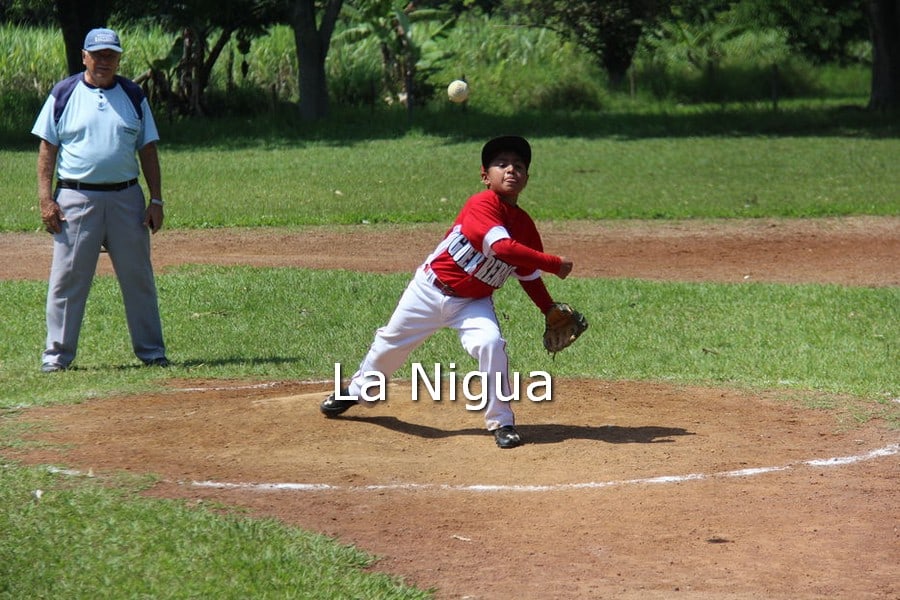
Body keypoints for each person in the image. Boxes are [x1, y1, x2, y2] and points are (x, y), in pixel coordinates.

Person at [321, 135, 574, 448]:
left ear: (526, 178)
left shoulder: (525, 227)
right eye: (502, 164)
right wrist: (554, 263)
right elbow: (502, 248)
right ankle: (357, 391)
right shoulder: (480, 205)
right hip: (428, 290)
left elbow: (527, 275)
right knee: (390, 343)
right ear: (485, 176)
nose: (511, 170)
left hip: (473, 303)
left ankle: (502, 423)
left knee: (491, 344)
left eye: (519, 166)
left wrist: (547, 308)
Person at [32, 28, 168, 372]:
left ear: (119, 58)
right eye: (98, 55)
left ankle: (152, 352)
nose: (104, 61)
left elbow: (148, 148)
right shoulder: (64, 93)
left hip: (127, 199)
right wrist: (46, 199)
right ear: (84, 57)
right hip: (76, 198)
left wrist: (157, 200)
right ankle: (57, 357)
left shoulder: (133, 95)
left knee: (138, 278)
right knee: (67, 279)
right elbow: (48, 147)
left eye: (111, 55)